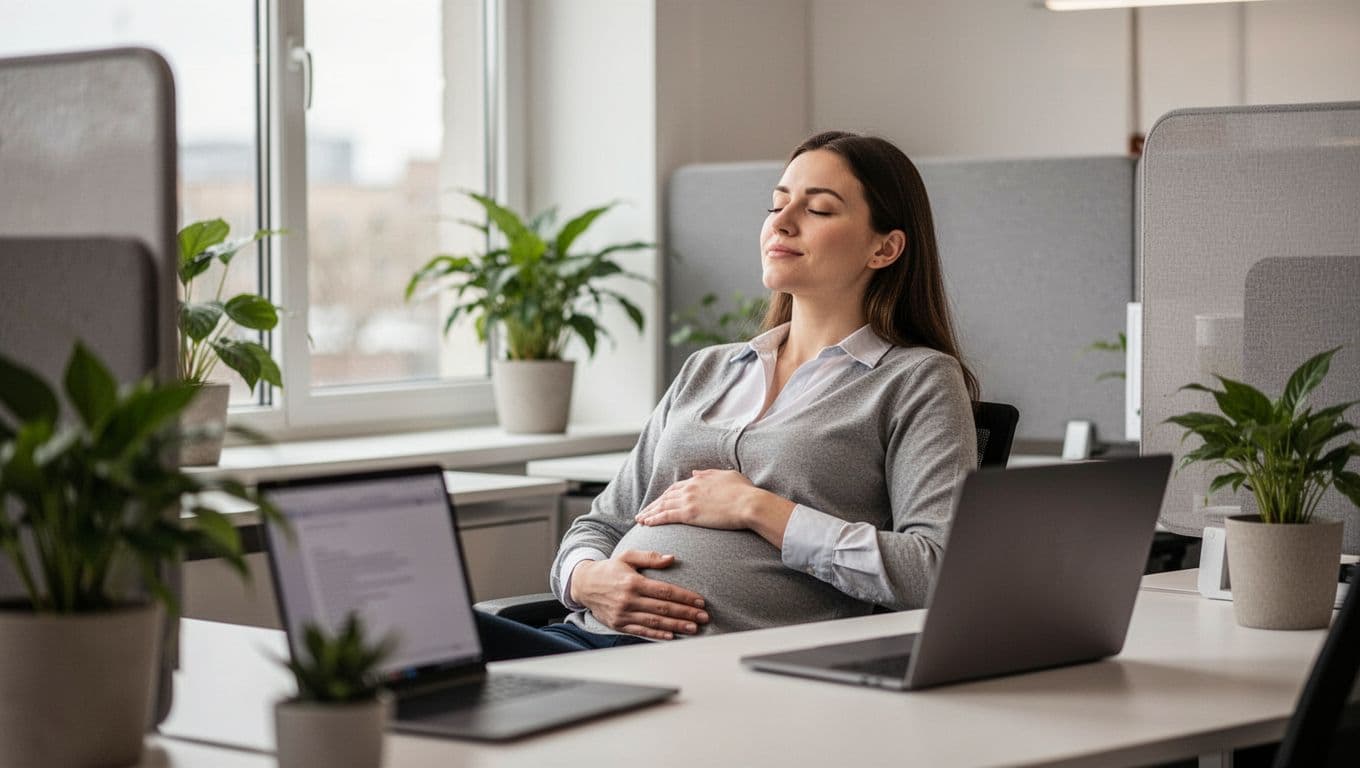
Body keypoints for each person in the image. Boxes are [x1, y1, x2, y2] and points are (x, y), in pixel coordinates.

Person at [476, 130, 978, 660]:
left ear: (885, 247)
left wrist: (758, 508)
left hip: (706, 670)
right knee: (411, 632)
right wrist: (586, 579)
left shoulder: (916, 380)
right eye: (777, 204)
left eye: (820, 210)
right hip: (585, 638)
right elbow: (600, 523)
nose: (781, 223)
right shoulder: (710, 368)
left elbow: (937, 570)